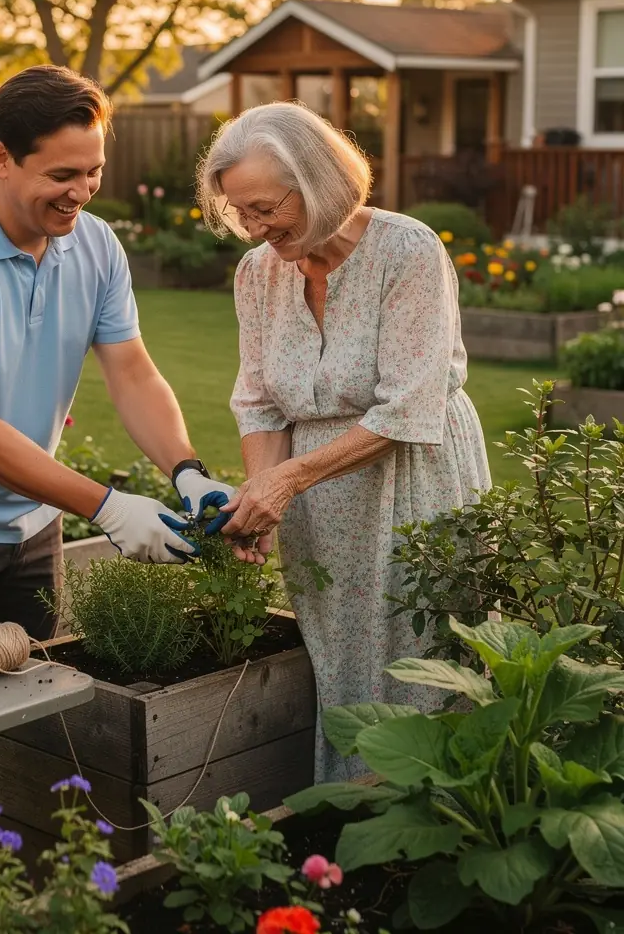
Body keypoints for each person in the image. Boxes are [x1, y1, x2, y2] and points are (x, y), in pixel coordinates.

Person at [0, 64, 234, 927]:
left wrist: (184, 471)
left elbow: (132, 371)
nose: (82, 191)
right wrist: (107, 504)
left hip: (26, 521)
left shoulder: (93, 245)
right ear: (2, 158)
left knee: (16, 709)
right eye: (63, 174)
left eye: (93, 170)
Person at [197, 102, 491, 783]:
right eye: (241, 212)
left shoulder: (407, 250)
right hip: (320, 508)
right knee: (340, 664)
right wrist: (259, 499)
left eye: (267, 208)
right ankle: (348, 819)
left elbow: (407, 405)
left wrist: (287, 481)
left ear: (321, 183)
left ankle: (428, 819)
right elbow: (261, 401)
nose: (254, 228)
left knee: (423, 655)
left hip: (416, 483)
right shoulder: (256, 274)